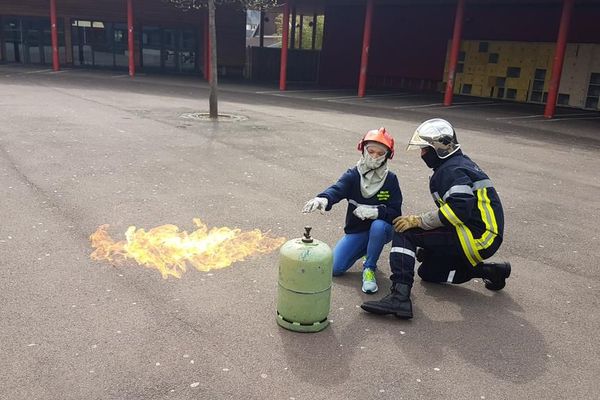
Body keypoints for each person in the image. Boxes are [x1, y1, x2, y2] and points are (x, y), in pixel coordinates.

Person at [361, 118, 511, 319]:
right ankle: (490, 271)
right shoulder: (455, 164)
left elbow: (459, 211)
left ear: (438, 148)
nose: (422, 154)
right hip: (481, 235)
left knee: (405, 232)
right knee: (429, 273)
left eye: (425, 149)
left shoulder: (451, 170)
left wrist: (418, 221)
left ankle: (399, 298)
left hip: (477, 236)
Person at [302, 128, 402, 294]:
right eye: (370, 151)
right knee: (334, 268)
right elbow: (338, 189)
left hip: (382, 230)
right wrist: (323, 199)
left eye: (380, 153)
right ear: (362, 149)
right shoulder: (353, 175)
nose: (374, 157)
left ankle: (369, 268)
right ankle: (368, 248)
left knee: (378, 226)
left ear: (387, 156)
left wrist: (376, 212)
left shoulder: (390, 179)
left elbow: (396, 212)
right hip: (358, 231)